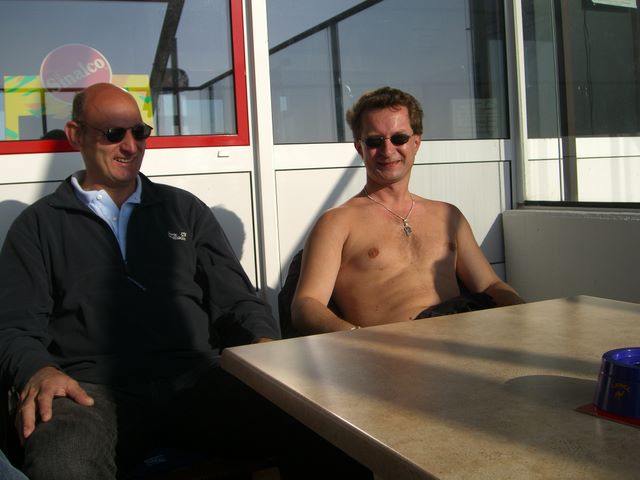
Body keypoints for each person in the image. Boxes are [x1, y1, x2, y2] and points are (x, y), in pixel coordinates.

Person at [0, 83, 369, 479]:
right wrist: (38, 370)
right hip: (91, 389)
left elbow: (236, 300)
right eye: (113, 134)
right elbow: (15, 327)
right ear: (76, 135)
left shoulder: (183, 210)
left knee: (325, 425)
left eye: (139, 132)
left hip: (195, 378)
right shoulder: (39, 226)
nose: (130, 146)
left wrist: (264, 344)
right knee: (62, 459)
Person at [292, 86, 524, 334]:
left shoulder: (448, 216)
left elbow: (490, 285)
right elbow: (306, 304)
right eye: (375, 141)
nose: (387, 150)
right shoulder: (338, 222)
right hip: (392, 350)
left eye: (399, 138)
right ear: (359, 148)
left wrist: (528, 316)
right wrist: (356, 338)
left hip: (461, 340)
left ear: (416, 142)